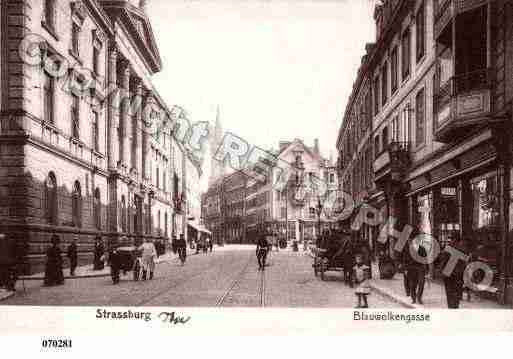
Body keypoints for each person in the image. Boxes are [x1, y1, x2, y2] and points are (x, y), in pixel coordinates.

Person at [440, 236, 467, 308]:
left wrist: (442, 272)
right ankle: (455, 306)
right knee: (457, 292)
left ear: (454, 239)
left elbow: (443, 262)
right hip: (458, 274)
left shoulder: (448, 248)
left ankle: (451, 306)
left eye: (451, 239)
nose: (450, 241)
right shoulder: (462, 249)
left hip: (448, 273)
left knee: (449, 293)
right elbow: (464, 263)